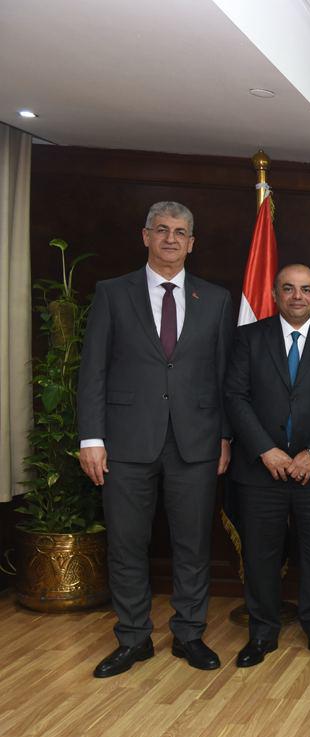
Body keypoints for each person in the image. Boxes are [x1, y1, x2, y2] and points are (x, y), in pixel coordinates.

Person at [77, 201, 235, 678]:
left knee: (193, 544)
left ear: (192, 243)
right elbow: (93, 370)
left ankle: (189, 634)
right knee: (127, 544)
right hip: (125, 442)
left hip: (196, 441)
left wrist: (225, 436)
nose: (170, 239)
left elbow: (223, 375)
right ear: (145, 236)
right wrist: (91, 438)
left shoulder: (216, 299)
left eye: (180, 232)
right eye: (161, 230)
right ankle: (133, 638)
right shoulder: (112, 293)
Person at [223, 263, 310, 667]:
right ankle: (262, 633)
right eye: (288, 288)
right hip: (260, 469)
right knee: (260, 555)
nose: (297, 296)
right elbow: (235, 397)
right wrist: (266, 450)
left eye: (306, 289)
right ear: (275, 295)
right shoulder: (248, 338)